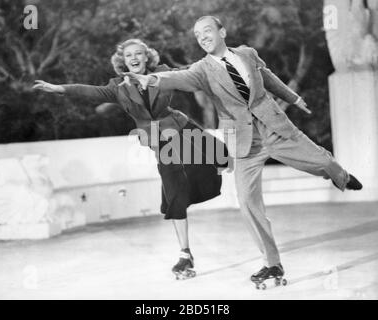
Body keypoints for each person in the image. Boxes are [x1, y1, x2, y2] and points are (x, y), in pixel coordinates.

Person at [122, 16, 363, 287]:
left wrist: (293, 97)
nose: (201, 37)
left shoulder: (248, 53)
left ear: (222, 31)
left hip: (274, 127)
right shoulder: (202, 69)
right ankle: (272, 264)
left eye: (207, 31)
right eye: (197, 34)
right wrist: (151, 79)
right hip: (243, 142)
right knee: (248, 202)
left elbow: (268, 77)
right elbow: (177, 77)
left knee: (320, 160)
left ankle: (340, 175)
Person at [33, 38, 229, 280]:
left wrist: (218, 64)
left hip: (182, 127)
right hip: (161, 141)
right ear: (123, 61)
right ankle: (185, 253)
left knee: (221, 155)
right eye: (129, 56)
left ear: (147, 57)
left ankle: (224, 170)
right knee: (174, 194)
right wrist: (59, 88)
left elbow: (191, 73)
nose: (134, 58)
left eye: (139, 54)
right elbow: (89, 92)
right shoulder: (118, 87)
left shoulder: (163, 74)